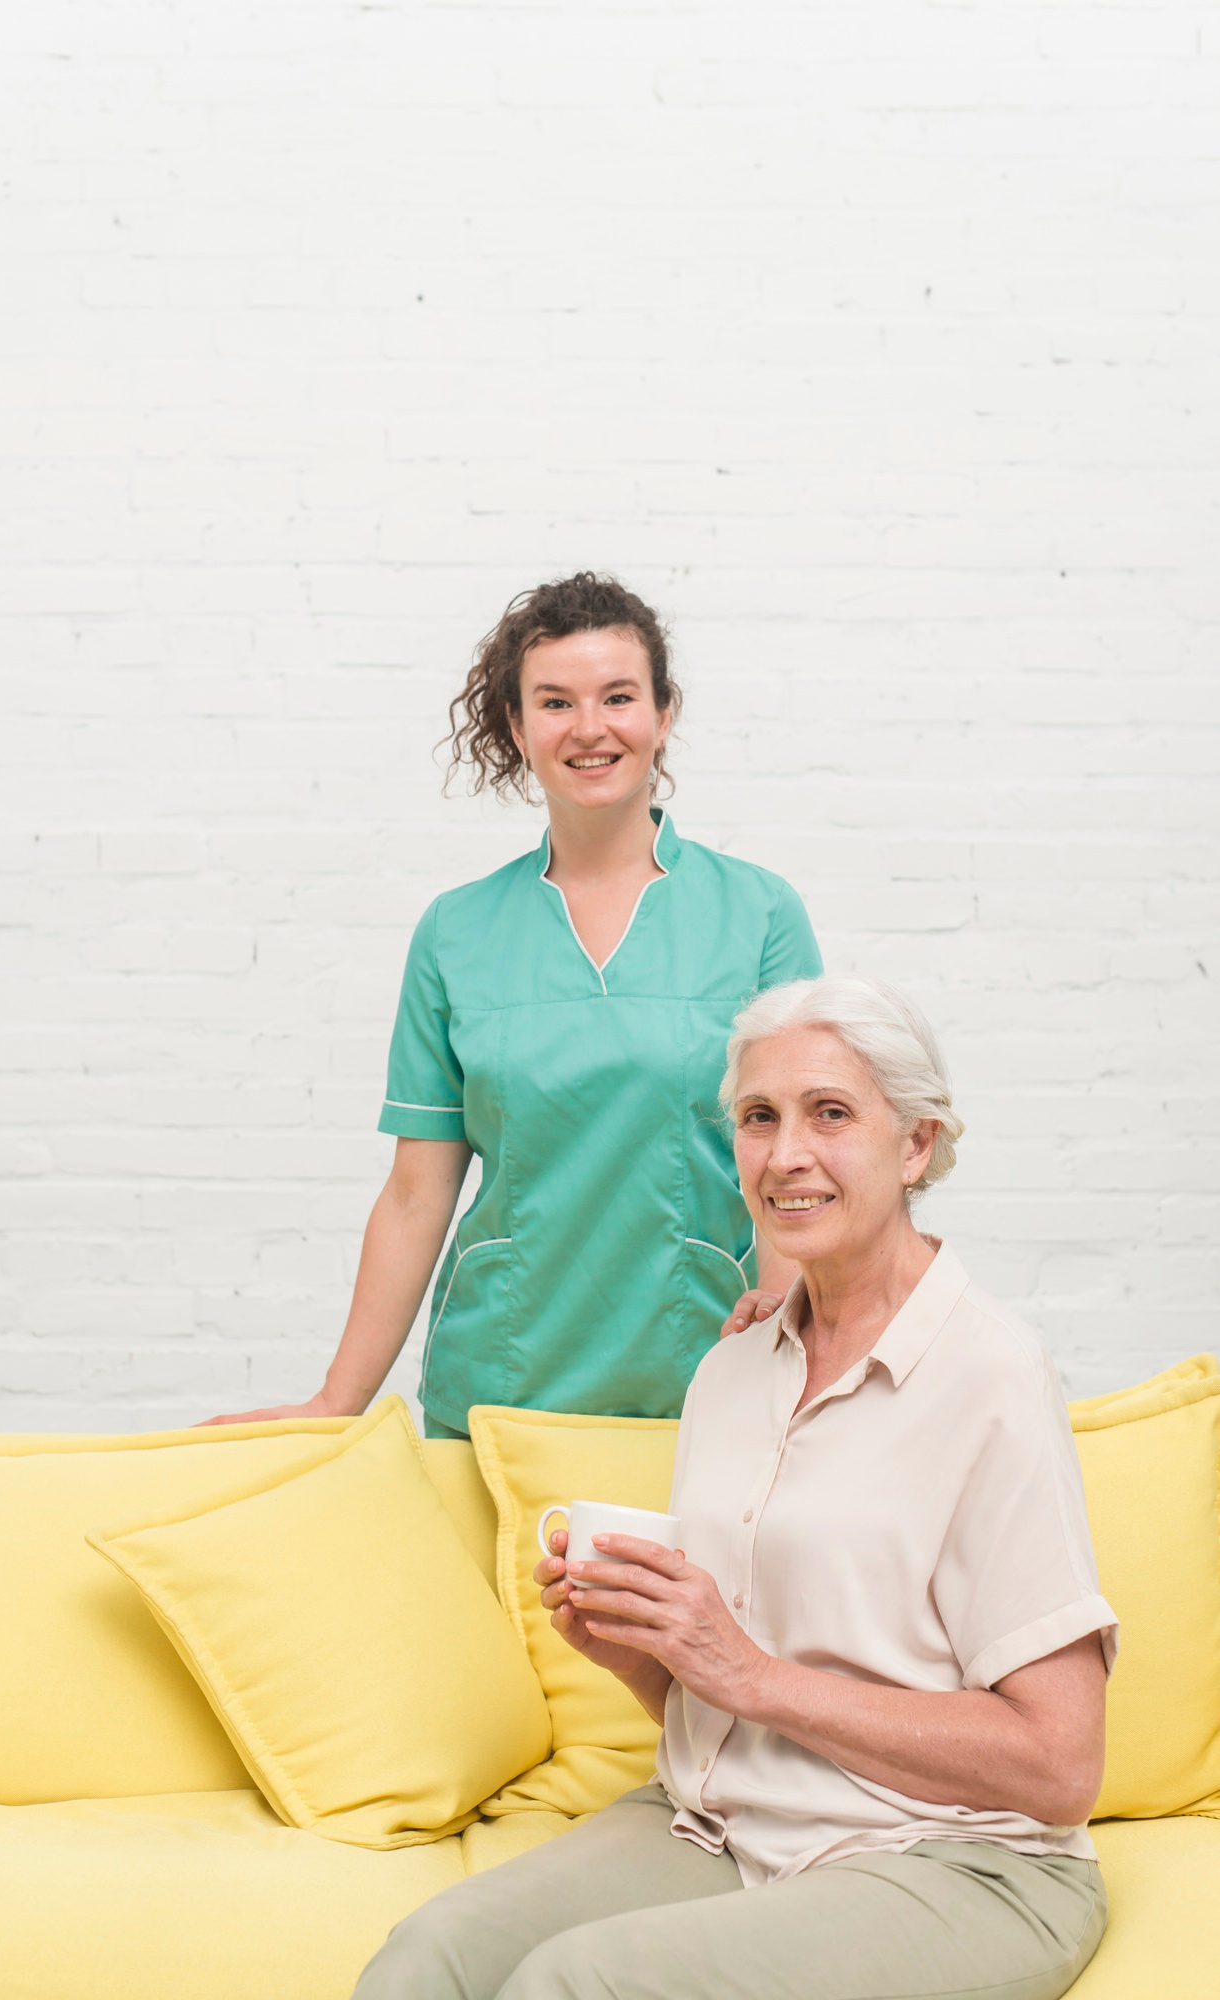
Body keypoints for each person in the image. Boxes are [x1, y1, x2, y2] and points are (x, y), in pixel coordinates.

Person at [354, 977, 1115, 2000]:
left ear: (917, 1144)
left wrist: (751, 1673)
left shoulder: (993, 1374)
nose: (785, 1153)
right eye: (759, 1117)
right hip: (725, 1820)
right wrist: (643, 1651)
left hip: (956, 1856)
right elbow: (729, 1692)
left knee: (578, 1982)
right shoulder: (732, 1369)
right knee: (427, 1957)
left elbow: (1061, 1763)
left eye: (831, 1113)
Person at [206, 573, 821, 1438]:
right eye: (555, 702)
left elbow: (802, 1165)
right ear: (516, 726)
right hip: (497, 1382)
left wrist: (791, 1347)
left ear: (663, 713)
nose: (590, 727)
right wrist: (333, 1404)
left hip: (707, 1380)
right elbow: (418, 1194)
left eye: (618, 697)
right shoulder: (457, 933)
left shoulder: (757, 915)